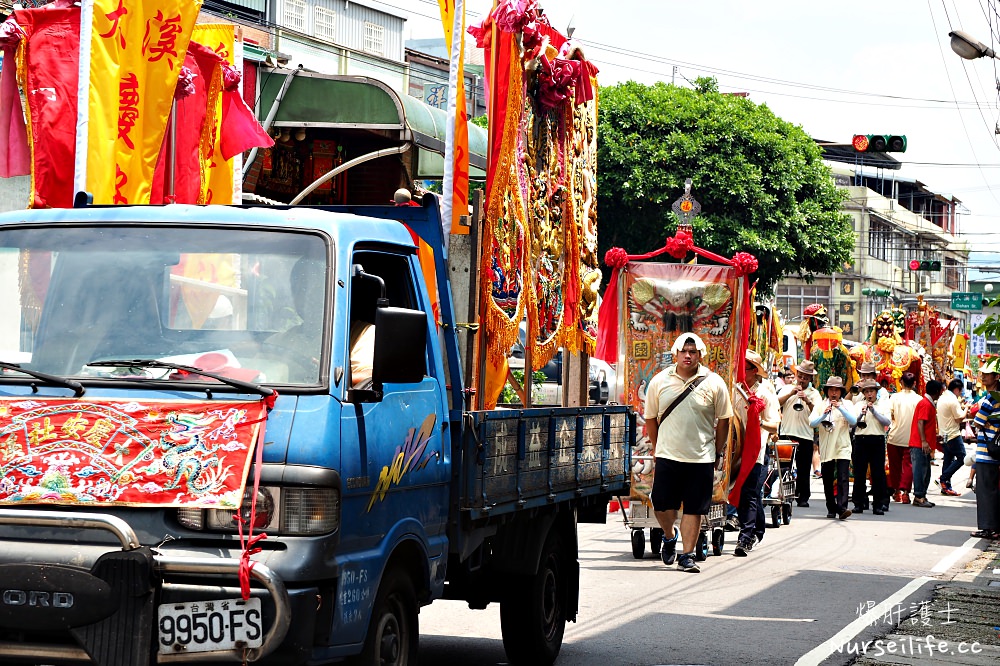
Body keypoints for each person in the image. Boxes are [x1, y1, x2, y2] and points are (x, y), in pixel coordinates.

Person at [645, 333, 733, 573]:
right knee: (662, 504)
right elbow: (650, 418)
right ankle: (669, 535)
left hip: (701, 457)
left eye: (692, 352)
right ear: (675, 354)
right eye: (683, 351)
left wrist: (718, 450)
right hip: (667, 455)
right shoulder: (659, 381)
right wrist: (657, 446)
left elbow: (724, 419)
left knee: (694, 508)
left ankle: (686, 555)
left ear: (700, 355)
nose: (687, 355)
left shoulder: (714, 382)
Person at [734, 350, 780, 556]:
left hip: (756, 450)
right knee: (735, 491)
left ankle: (746, 536)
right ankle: (753, 529)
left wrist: (758, 422)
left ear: (754, 371)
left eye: (744, 367)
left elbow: (775, 425)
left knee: (750, 493)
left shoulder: (764, 393)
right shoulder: (733, 390)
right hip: (733, 451)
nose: (740, 371)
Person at [809, 375, 857, 520]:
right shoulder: (820, 405)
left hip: (843, 446)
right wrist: (824, 415)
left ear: (841, 391)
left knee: (843, 477)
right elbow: (812, 423)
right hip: (827, 446)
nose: (834, 393)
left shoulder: (847, 404)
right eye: (831, 390)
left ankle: (842, 508)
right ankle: (831, 507)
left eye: (837, 390)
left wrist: (840, 409)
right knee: (828, 479)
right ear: (827, 391)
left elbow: (853, 421)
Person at [777, 360, 821, 508]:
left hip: (805, 435)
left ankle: (803, 497)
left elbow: (818, 412)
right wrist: (791, 393)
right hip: (786, 433)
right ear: (796, 375)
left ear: (810, 379)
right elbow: (777, 403)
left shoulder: (814, 394)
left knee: (803, 468)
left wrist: (807, 400)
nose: (802, 379)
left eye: (806, 377)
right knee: (784, 467)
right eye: (800, 376)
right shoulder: (787, 388)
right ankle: (782, 494)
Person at [852, 378, 891, 515]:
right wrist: (861, 414)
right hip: (861, 439)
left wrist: (874, 411)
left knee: (878, 473)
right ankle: (859, 503)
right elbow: (852, 424)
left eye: (872, 391)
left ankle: (878, 504)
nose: (869, 394)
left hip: (877, 439)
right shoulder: (858, 405)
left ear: (876, 392)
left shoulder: (883, 405)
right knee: (859, 473)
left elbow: (887, 422)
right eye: (867, 391)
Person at [971, 359, 1000, 539]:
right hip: (997, 450)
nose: (982, 377)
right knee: (994, 491)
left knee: (985, 491)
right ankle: (995, 527)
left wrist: (984, 423)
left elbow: (977, 421)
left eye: (986, 375)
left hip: (986, 452)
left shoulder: (991, 398)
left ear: (996, 377)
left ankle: (987, 527)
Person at [888, 372, 922, 505]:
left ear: (901, 382)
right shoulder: (919, 399)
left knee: (895, 466)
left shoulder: (894, 397)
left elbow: (890, 415)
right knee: (908, 465)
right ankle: (906, 493)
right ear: (914, 383)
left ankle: (896, 492)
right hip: (912, 438)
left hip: (895, 436)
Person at [910, 380, 943, 508]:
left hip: (923, 444)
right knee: (921, 470)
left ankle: (921, 495)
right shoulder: (925, 404)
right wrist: (923, 441)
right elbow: (920, 422)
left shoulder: (927, 403)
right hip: (920, 444)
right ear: (936, 392)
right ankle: (919, 496)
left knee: (925, 470)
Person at [937, 378, 969, 496]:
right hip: (953, 434)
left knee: (948, 459)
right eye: (960, 391)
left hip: (944, 433)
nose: (960, 394)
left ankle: (945, 486)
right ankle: (943, 478)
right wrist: (966, 408)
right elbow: (959, 418)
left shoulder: (942, 397)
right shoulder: (952, 400)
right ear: (956, 389)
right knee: (962, 457)